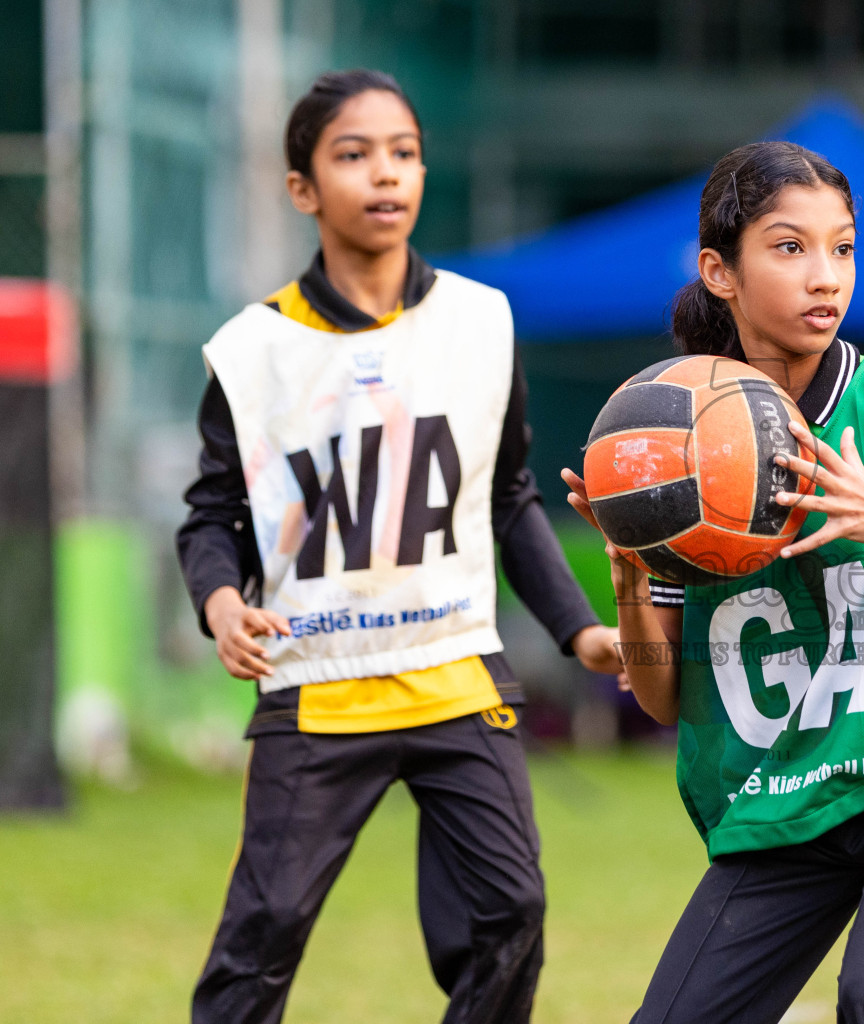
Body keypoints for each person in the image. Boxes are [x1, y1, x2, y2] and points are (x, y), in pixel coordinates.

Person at [562, 140, 864, 1024]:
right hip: (788, 789)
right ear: (720, 270)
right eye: (790, 248)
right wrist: (630, 576)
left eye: (843, 248)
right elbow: (663, 699)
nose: (825, 276)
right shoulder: (671, 446)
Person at [176, 69, 620, 1024]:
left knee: (512, 912)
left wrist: (580, 633)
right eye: (353, 154)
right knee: (264, 932)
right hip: (318, 682)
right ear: (302, 188)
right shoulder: (251, 352)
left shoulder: (481, 322)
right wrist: (220, 604)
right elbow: (211, 514)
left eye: (404, 152)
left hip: (454, 670)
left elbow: (508, 498)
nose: (386, 175)